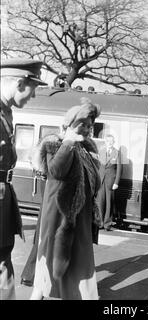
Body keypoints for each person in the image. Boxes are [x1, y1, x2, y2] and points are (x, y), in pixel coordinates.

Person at [30, 98, 102, 300]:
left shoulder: (86, 149)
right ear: (69, 124)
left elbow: (94, 182)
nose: (87, 129)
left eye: (90, 126)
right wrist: (69, 142)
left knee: (78, 268)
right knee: (50, 270)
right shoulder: (56, 144)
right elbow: (56, 171)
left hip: (79, 217)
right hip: (59, 217)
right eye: (83, 124)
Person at [0, 59, 47, 300]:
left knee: (3, 257)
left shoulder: (5, 111)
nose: (34, 96)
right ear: (20, 83)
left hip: (4, 194)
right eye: (33, 88)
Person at [97, 134, 122, 231]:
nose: (110, 143)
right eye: (108, 141)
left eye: (111, 141)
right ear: (106, 142)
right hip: (100, 180)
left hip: (111, 181)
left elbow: (119, 169)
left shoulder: (117, 153)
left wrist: (116, 182)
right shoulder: (101, 151)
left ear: (114, 142)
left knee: (109, 203)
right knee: (100, 202)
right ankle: (99, 223)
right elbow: (97, 166)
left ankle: (107, 224)